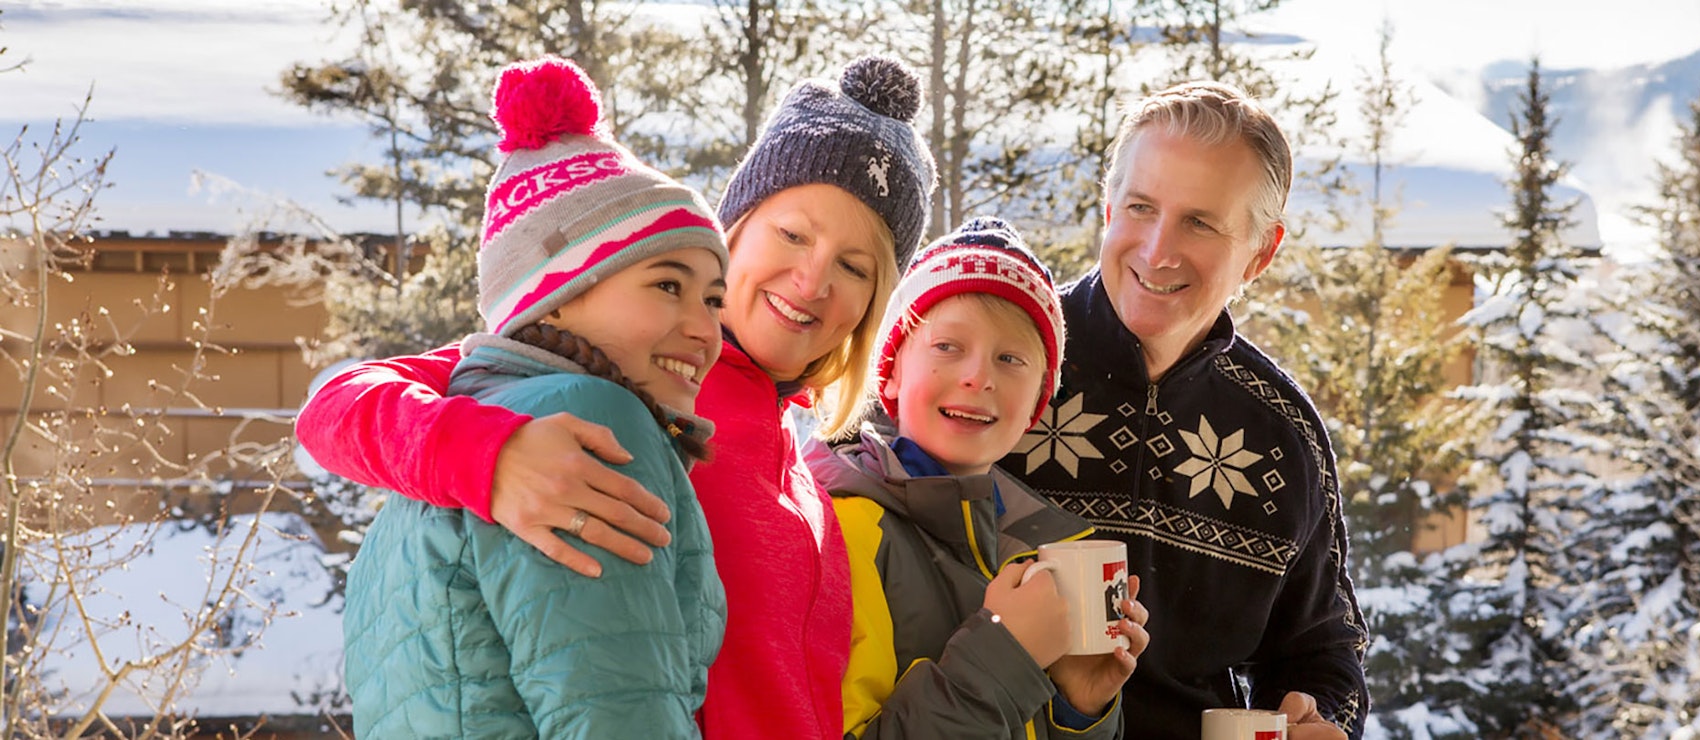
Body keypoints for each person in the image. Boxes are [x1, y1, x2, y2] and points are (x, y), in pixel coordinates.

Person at [301, 56, 936, 739]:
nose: (813, 280)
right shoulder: (620, 375)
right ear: (735, 228)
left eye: (854, 266)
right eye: (793, 234)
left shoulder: (803, 459)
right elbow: (338, 404)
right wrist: (494, 455)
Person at [341, 57, 727, 737]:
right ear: (555, 299)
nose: (705, 329)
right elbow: (618, 716)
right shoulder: (586, 421)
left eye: (714, 298)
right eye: (668, 285)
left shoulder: (423, 480)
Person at [1002, 82, 1370, 739]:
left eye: (1199, 222)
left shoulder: (1283, 433)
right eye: (1142, 208)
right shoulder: (997, 363)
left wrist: (1320, 720)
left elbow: (1321, 649)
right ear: (1109, 206)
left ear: (1262, 252)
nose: (1157, 249)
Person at [807, 218, 1149, 739]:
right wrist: (1004, 653)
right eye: (947, 347)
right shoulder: (847, 531)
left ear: (1037, 401)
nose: (978, 377)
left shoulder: (1045, 547)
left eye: (1010, 359)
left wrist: (1079, 710)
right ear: (893, 371)